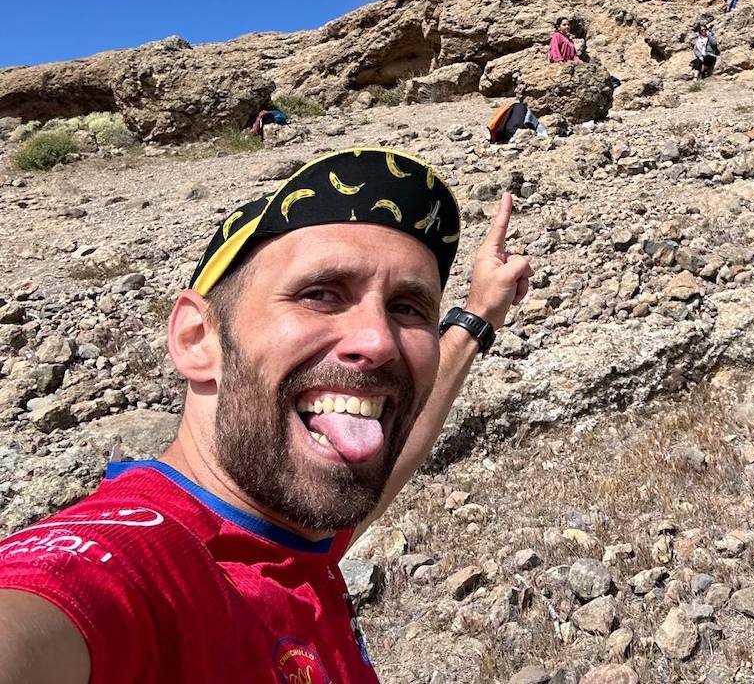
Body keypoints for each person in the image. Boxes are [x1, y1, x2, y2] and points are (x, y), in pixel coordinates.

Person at [0, 148, 532, 684]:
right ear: (197, 338)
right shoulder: (123, 566)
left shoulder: (291, 534)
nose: (379, 342)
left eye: (407, 308)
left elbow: (386, 461)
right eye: (320, 294)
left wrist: (480, 315)